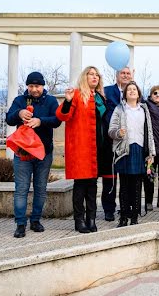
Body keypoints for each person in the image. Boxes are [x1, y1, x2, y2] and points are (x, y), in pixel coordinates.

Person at [5, 71, 60, 238]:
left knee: (40, 189)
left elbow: (57, 120)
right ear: (27, 86)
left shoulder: (50, 101)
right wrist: (19, 113)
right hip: (23, 152)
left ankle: (35, 220)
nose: (34, 89)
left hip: (44, 153)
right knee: (21, 188)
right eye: (31, 86)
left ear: (43, 86)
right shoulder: (20, 100)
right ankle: (20, 223)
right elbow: (9, 119)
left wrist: (40, 121)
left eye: (37, 86)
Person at [57, 66, 107, 233]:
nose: (94, 77)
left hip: (97, 146)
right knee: (81, 185)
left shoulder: (100, 97)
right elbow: (63, 116)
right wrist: (68, 100)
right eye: (91, 74)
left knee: (93, 184)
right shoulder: (76, 95)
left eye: (97, 75)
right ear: (84, 77)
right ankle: (79, 220)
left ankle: (91, 219)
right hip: (81, 147)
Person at [109, 82, 156, 227]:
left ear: (139, 93)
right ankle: (123, 217)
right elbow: (111, 130)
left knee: (137, 185)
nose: (131, 91)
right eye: (129, 89)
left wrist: (151, 152)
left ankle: (135, 217)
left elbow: (149, 132)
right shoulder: (119, 109)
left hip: (140, 149)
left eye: (134, 89)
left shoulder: (144, 110)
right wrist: (118, 133)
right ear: (125, 94)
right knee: (124, 185)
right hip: (124, 150)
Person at [101, 67, 134, 221]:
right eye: (123, 73)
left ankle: (126, 207)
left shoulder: (134, 93)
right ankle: (109, 209)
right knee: (110, 178)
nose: (125, 75)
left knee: (128, 177)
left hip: (129, 143)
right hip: (110, 142)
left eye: (128, 73)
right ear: (117, 75)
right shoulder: (106, 91)